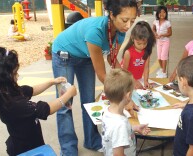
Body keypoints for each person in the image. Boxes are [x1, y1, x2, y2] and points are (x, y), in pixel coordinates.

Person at [51, 0, 138, 154]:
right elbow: (103, 75)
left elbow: (112, 59)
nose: (128, 25)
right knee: (65, 104)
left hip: (84, 56)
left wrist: (131, 81)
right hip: (63, 54)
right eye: (125, 20)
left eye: (132, 20)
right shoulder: (95, 31)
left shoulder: (120, 31)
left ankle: (91, 140)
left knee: (89, 101)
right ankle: (68, 149)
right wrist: (125, 98)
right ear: (112, 14)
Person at [0, 46, 77, 156]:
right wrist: (68, 94)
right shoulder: (13, 104)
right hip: (26, 150)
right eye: (14, 73)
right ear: (2, 78)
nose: (17, 75)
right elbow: (47, 109)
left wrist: (51, 82)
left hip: (26, 142)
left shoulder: (5, 92)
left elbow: (30, 90)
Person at [101, 68, 150, 156]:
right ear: (128, 96)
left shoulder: (108, 112)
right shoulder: (120, 125)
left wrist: (134, 128)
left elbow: (114, 134)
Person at [122, 21, 156, 89]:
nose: (142, 46)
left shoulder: (146, 52)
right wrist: (133, 81)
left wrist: (146, 81)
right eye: (139, 43)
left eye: (144, 43)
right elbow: (124, 71)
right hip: (128, 80)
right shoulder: (128, 53)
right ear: (132, 38)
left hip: (139, 79)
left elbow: (146, 68)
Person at [152, 5, 172, 78]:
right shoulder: (155, 21)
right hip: (159, 42)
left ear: (166, 13)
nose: (162, 14)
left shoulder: (167, 23)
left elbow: (170, 33)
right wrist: (155, 34)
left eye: (164, 12)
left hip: (165, 42)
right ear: (157, 13)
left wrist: (163, 35)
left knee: (164, 57)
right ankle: (161, 69)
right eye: (160, 12)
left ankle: (164, 72)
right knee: (159, 58)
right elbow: (153, 29)